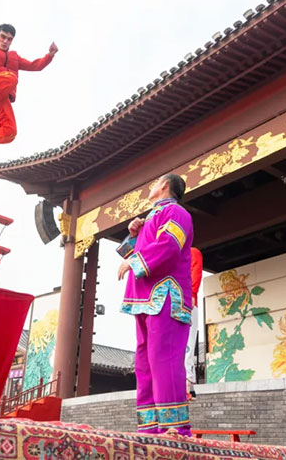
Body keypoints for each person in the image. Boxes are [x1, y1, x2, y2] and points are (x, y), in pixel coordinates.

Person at [116, 174, 194, 436]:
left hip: (165, 296)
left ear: (164, 185)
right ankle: (150, 428)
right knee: (144, 364)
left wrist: (133, 262)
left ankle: (174, 429)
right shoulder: (152, 217)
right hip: (144, 299)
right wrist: (134, 235)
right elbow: (137, 253)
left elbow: (169, 247)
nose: (151, 186)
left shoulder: (177, 213)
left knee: (164, 360)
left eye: (155, 182)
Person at [185, 247, 203, 400]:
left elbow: (196, 272)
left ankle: (188, 383)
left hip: (187, 304)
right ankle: (188, 385)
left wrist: (191, 293)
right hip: (170, 305)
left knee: (187, 345)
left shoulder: (192, 252)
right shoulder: (170, 252)